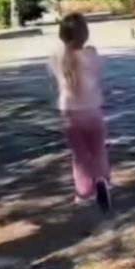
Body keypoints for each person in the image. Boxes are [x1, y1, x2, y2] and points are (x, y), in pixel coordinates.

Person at [47, 13, 111, 213]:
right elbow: (99, 70)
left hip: (71, 116)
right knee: (98, 150)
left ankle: (84, 192)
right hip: (93, 111)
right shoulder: (92, 54)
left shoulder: (57, 59)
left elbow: (54, 72)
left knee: (80, 156)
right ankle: (102, 179)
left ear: (62, 35)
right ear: (85, 34)